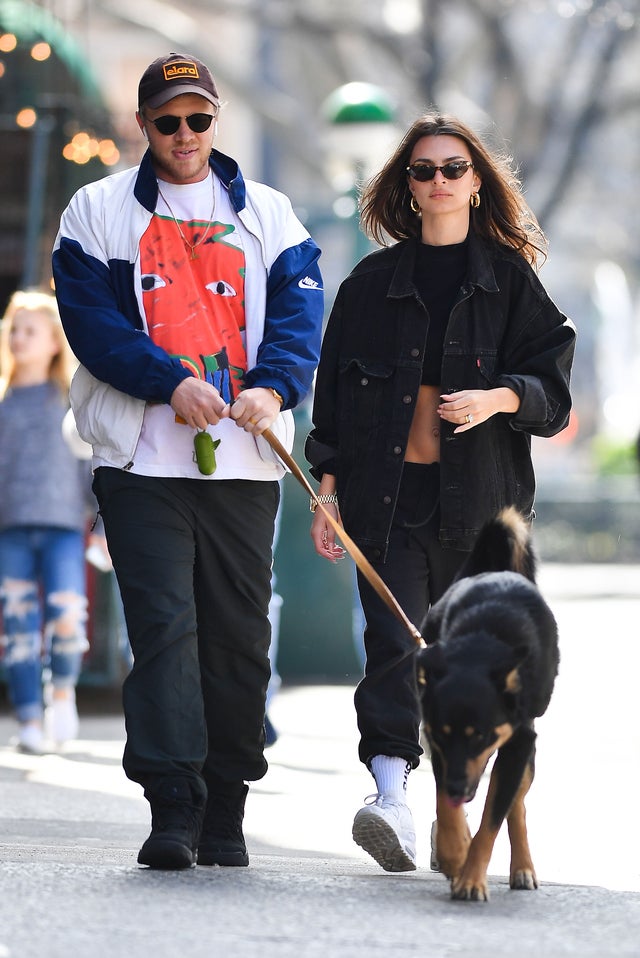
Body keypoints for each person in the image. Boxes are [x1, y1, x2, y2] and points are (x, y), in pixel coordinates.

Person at [52, 52, 323, 871]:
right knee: (164, 632)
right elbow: (92, 324)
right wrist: (170, 383)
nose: (183, 134)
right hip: (138, 462)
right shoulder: (96, 210)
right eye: (167, 120)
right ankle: (172, 803)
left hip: (245, 462)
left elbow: (302, 323)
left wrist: (274, 389)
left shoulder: (272, 215)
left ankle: (228, 804)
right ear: (144, 126)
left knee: (239, 637)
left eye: (198, 118)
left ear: (216, 121)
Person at [306, 113, 575, 872]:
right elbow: (335, 401)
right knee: (393, 646)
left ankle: (451, 814)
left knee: (469, 663)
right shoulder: (370, 284)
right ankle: (389, 794)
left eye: (453, 169)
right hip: (385, 501)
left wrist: (498, 398)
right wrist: (327, 491)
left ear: (478, 181)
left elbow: (552, 391)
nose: (437, 183)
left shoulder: (510, 281)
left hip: (483, 512)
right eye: (422, 171)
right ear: (407, 187)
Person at [0, 290, 91, 754]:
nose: (18, 337)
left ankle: (62, 694)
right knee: (17, 624)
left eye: (29, 330)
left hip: (62, 528)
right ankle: (29, 719)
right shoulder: (3, 400)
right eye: (13, 328)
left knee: (67, 615)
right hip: (10, 530)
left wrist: (99, 524)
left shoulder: (70, 399)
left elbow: (87, 465)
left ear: (55, 340)